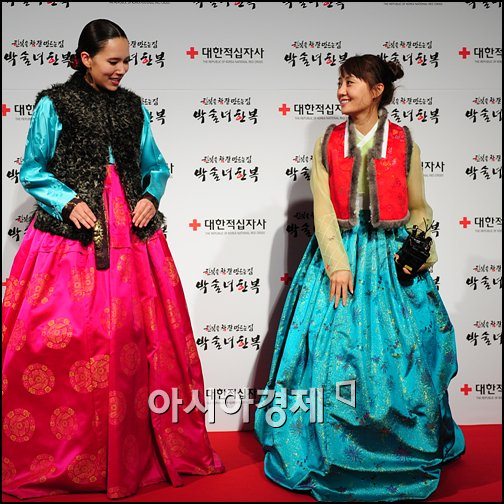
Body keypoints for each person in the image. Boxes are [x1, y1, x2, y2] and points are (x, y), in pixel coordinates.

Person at [2, 19, 223, 500]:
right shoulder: (54, 103)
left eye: (127, 61)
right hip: (72, 238)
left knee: (139, 340)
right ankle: (71, 455)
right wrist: (66, 201)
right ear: (86, 59)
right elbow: (33, 169)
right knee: (70, 342)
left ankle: (135, 450)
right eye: (113, 61)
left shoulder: (133, 106)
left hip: (131, 234)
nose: (122, 69)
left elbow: (155, 165)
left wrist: (150, 195)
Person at [255, 54, 465, 502]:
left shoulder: (405, 142)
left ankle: (404, 442)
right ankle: (328, 445)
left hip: (391, 257)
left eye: (351, 83)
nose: (341, 91)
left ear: (377, 91)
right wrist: (336, 263)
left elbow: (419, 206)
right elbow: (322, 208)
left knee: (413, 346)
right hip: (341, 255)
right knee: (330, 348)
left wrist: (419, 250)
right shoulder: (328, 142)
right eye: (340, 82)